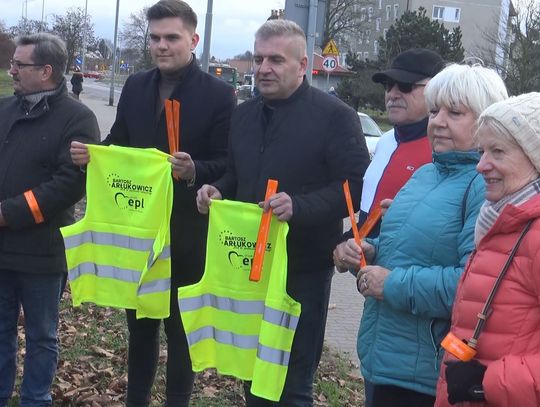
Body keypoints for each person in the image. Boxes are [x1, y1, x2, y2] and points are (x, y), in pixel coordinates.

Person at [70, 0, 236, 405]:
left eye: (171, 37)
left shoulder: (219, 94)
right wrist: (95, 155)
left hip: (188, 235)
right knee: (141, 328)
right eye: (155, 37)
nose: (161, 45)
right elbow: (121, 143)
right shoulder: (136, 85)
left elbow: (229, 163)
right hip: (140, 231)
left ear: (193, 40)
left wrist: (194, 168)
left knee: (181, 332)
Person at [196, 19, 370, 406]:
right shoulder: (244, 115)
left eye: (275, 59)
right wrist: (216, 190)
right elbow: (235, 174)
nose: (263, 68)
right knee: (251, 370)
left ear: (302, 65)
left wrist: (300, 206)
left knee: (291, 383)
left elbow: (356, 188)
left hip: (301, 270)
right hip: (246, 267)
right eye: (258, 59)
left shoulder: (335, 117)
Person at [338, 63, 508, 407]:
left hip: (428, 374)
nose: (438, 122)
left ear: (487, 121)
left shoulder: (484, 187)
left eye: (455, 112)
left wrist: (392, 284)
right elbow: (405, 248)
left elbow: (475, 285)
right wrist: (366, 252)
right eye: (434, 111)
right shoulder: (428, 174)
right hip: (383, 359)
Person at [333, 46, 444, 407]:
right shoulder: (384, 143)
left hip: (419, 320)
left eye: (407, 86)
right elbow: (365, 221)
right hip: (376, 307)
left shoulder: (443, 151)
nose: (393, 93)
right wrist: (346, 248)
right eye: (389, 84)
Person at [0, 33, 100, 406]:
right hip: (2, 250)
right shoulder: (4, 109)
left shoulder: (79, 119)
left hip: (43, 254)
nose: (11, 69)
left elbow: (68, 185)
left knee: (42, 335)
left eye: (18, 64)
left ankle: (35, 399)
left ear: (45, 71)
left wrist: (8, 214)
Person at [434, 92, 540, 407]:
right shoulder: (500, 222)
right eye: (482, 151)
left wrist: (486, 382)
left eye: (497, 151)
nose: (481, 165)